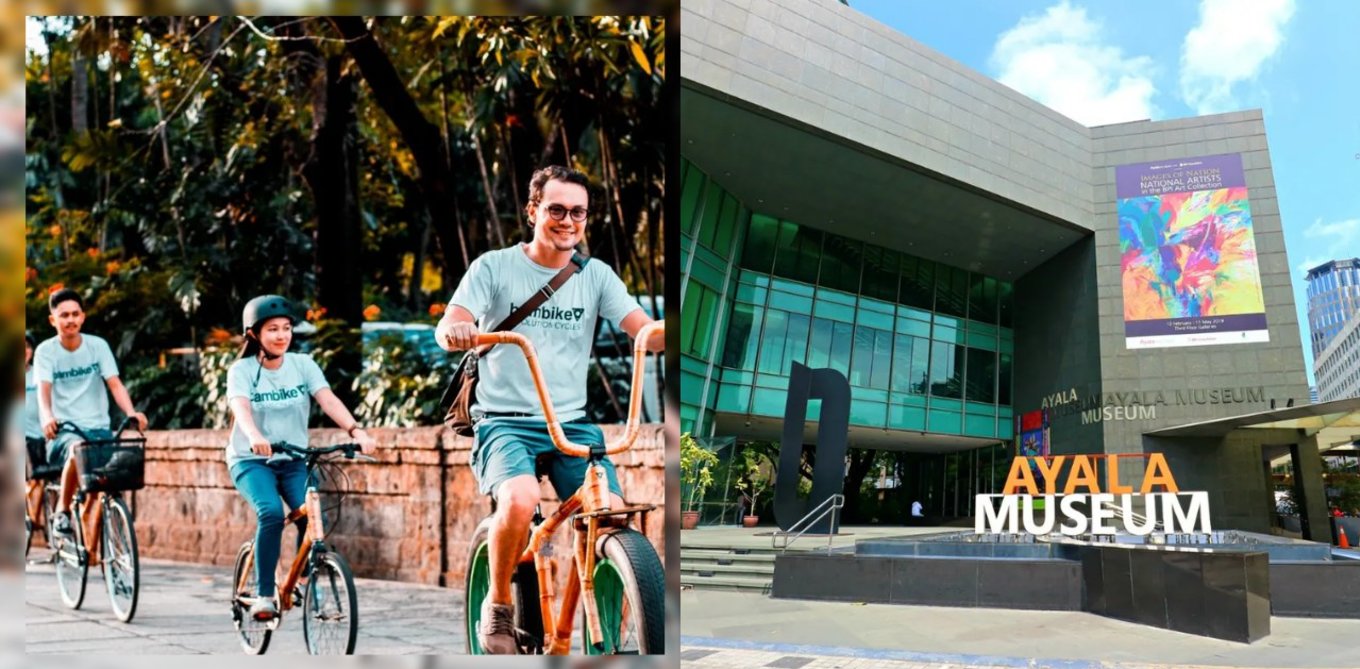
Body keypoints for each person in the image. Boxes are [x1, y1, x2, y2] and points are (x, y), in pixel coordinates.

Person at [436, 165, 664, 654]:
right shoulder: (494, 267)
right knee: (518, 501)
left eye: (577, 212)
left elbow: (644, 329)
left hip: (571, 425)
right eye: (556, 209)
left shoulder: (596, 274)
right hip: (504, 422)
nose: (567, 220)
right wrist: (456, 330)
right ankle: (498, 606)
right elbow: (452, 320)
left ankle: (600, 624)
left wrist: (678, 330)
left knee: (612, 517)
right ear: (534, 210)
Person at [225, 295, 376, 621]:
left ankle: (304, 581)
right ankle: (265, 594)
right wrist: (254, 436)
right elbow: (240, 407)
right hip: (251, 460)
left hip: (293, 459)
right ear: (254, 335)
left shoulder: (302, 365)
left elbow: (327, 399)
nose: (281, 336)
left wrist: (355, 432)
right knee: (271, 514)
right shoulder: (242, 370)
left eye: (286, 328)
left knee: (312, 516)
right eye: (272, 330)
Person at [34, 289, 148, 541]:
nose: (70, 319)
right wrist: (47, 418)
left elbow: (115, 384)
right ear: (53, 320)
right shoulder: (45, 351)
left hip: (99, 428)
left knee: (102, 485)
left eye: (75, 314)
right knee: (78, 449)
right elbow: (43, 392)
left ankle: (97, 545)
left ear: (83, 317)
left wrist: (131, 413)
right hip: (64, 430)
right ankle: (62, 511)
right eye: (64, 315)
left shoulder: (98, 346)